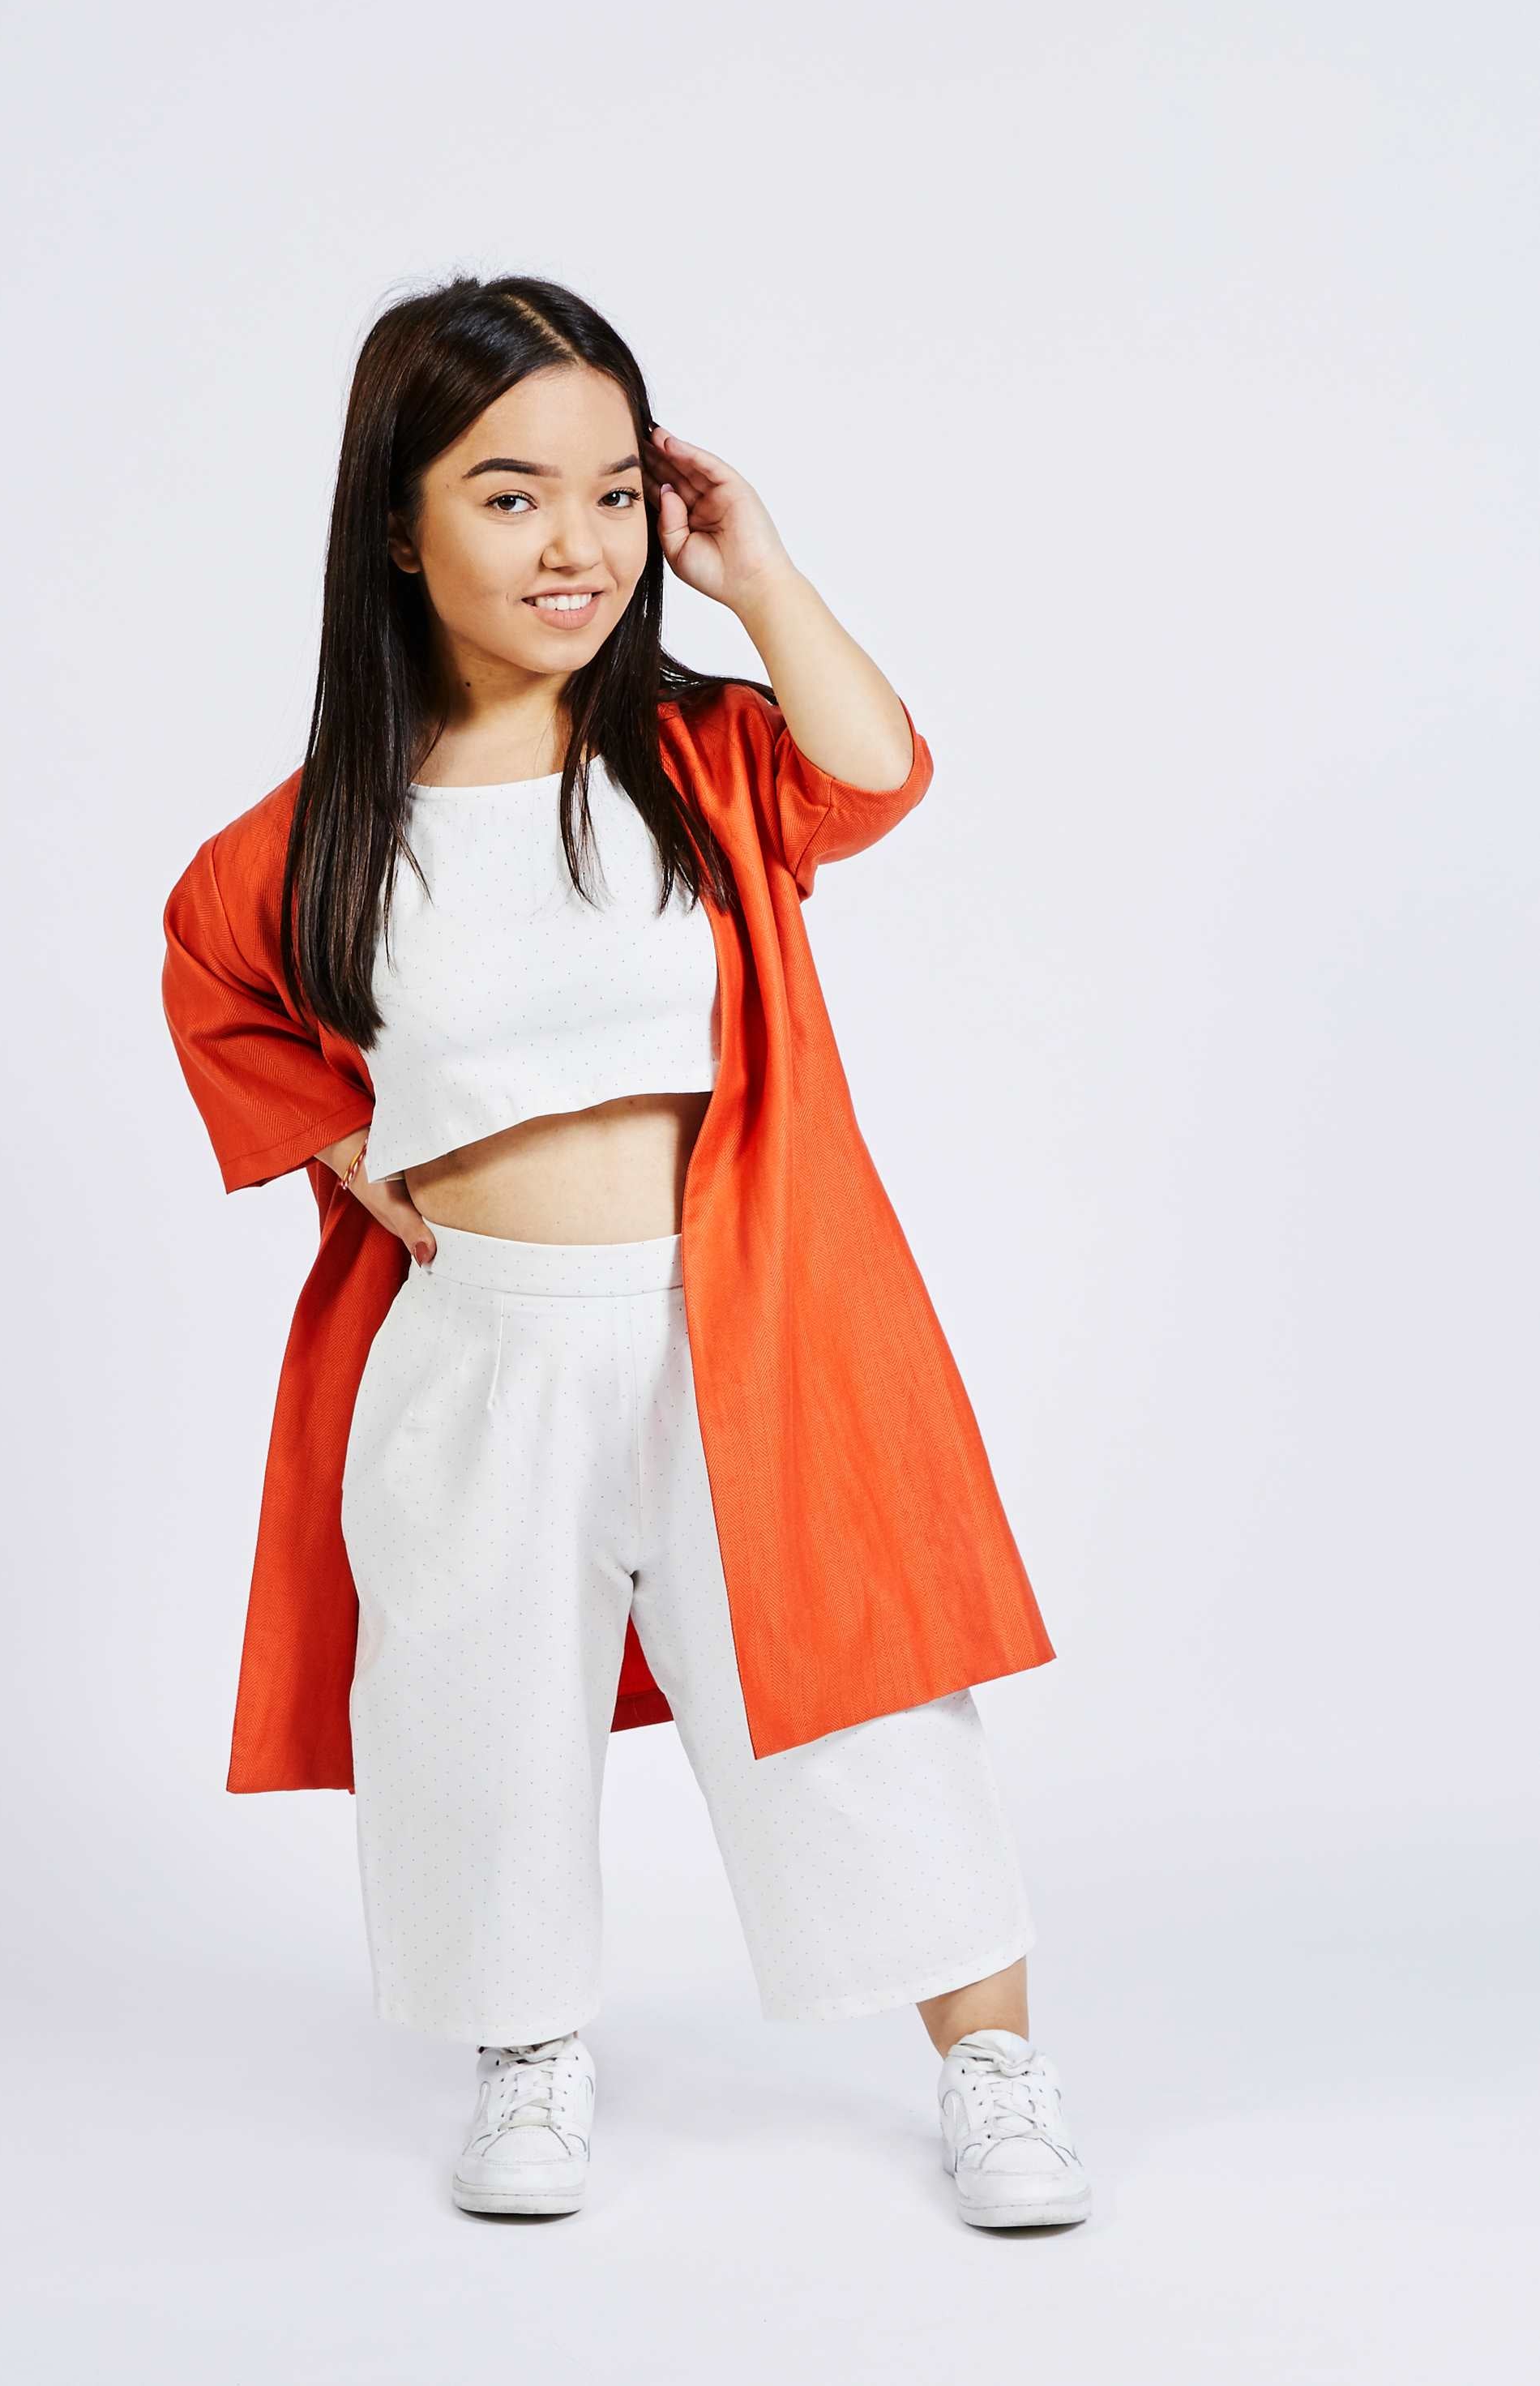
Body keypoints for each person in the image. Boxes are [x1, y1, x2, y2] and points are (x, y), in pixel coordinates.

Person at [160, 272, 1093, 2230]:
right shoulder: (323, 835)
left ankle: (991, 2064)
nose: (573, 542)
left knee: (852, 1705)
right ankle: (527, 2047)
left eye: (606, 489)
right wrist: (343, 1150)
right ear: (396, 526)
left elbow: (875, 768)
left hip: (737, 1327)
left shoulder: (694, 760)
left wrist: (757, 574)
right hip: (485, 1348)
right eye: (508, 495)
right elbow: (215, 976)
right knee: (478, 1707)